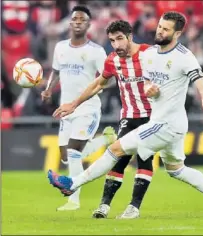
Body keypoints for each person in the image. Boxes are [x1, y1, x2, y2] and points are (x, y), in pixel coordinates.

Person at [48, 12, 203, 221]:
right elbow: (146, 82)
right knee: (177, 170)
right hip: (169, 124)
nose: (160, 30)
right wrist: (149, 89)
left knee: (115, 149)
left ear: (178, 33)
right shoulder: (150, 54)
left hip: (166, 124)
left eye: (166, 29)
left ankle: (71, 185)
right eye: (160, 26)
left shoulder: (184, 57)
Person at [50, 20, 156, 219]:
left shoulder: (149, 54)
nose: (116, 45)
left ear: (130, 37)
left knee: (144, 158)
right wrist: (74, 104)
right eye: (112, 41)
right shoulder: (112, 60)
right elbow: (98, 84)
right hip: (128, 116)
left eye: (120, 39)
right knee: (118, 160)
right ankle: (104, 206)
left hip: (152, 117)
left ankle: (133, 207)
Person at [41, 5, 116, 211]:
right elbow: (56, 71)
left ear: (89, 24)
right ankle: (105, 140)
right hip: (65, 109)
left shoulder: (96, 51)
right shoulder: (60, 48)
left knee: (74, 153)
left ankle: (73, 200)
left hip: (88, 108)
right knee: (67, 157)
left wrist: (99, 85)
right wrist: (48, 90)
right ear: (70, 23)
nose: (78, 22)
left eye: (82, 19)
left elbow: (109, 78)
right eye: (75, 19)